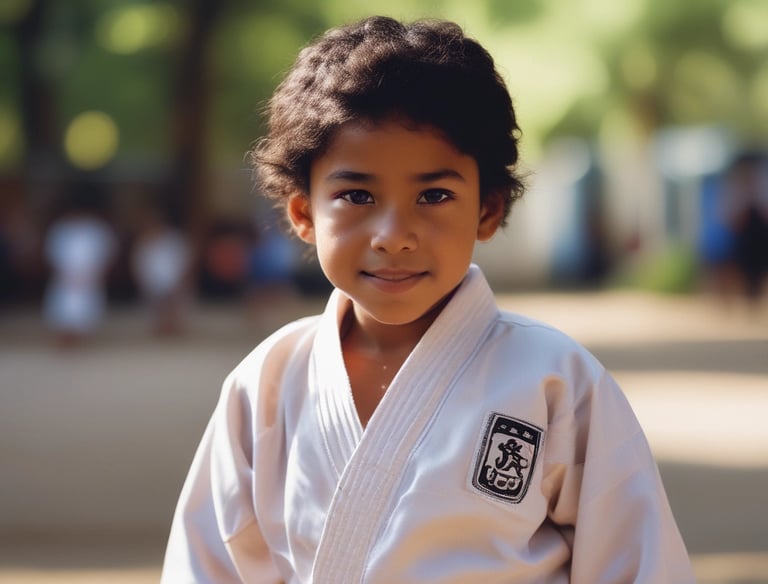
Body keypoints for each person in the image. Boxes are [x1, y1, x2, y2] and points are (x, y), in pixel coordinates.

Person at [162, 16, 695, 583]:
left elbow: (638, 564)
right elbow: (208, 566)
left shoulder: (554, 381)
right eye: (357, 194)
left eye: (434, 194)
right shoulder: (267, 382)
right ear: (303, 213)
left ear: (487, 210)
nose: (393, 234)